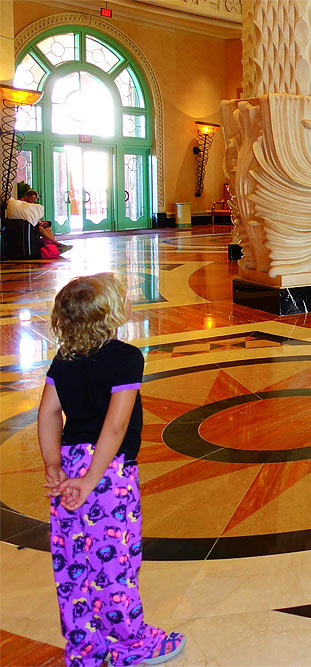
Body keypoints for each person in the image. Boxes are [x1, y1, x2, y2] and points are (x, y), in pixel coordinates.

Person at [38, 273, 185, 667]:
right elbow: (115, 427)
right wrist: (89, 480)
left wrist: (54, 465)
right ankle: (130, 646)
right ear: (112, 314)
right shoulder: (125, 357)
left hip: (68, 463)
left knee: (73, 562)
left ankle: (85, 647)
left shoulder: (63, 358)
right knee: (115, 563)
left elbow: (49, 413)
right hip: (108, 474)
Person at [7, 190, 72, 254]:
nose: (33, 202)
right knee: (41, 229)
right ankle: (56, 244)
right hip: (27, 224)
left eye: (34, 200)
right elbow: (25, 216)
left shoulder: (30, 205)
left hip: (33, 223)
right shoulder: (21, 204)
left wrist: (39, 221)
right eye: (32, 199)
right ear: (27, 197)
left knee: (47, 229)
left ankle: (54, 246)